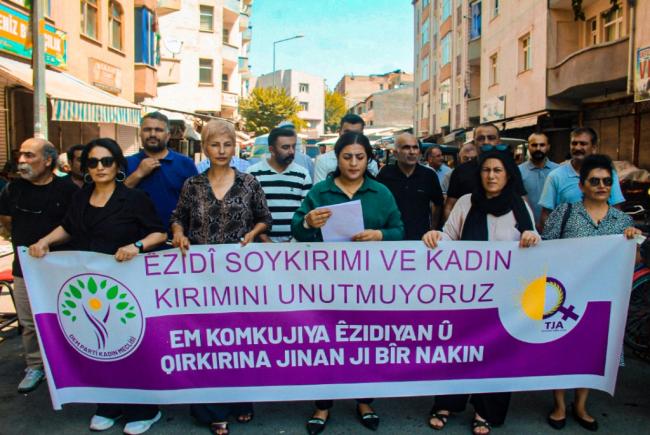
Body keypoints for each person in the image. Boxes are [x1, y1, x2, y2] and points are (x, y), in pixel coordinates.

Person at [28, 138, 167, 434]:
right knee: (99, 345)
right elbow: (68, 227)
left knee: (132, 347)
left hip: (127, 287)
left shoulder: (134, 198)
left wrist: (136, 246)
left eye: (106, 161)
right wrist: (44, 241)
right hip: (89, 287)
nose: (100, 167)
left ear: (117, 164)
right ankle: (108, 405)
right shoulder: (81, 198)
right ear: (86, 167)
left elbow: (159, 233)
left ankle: (144, 409)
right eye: (92, 162)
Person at [292, 132, 404, 435]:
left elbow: (399, 229)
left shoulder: (381, 192)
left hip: (369, 286)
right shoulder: (320, 191)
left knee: (365, 344)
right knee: (324, 345)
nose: (354, 163)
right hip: (325, 285)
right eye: (347, 157)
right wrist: (307, 222)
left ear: (368, 159)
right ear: (337, 159)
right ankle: (322, 404)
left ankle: (364, 401)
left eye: (360, 157)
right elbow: (298, 229)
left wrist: (380, 235)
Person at [422, 151, 539, 435]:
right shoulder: (466, 202)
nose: (491, 176)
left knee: (498, 353)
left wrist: (531, 237)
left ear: (508, 174)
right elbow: (449, 236)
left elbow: (534, 241)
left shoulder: (519, 206)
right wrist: (435, 236)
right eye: (486, 170)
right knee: (458, 349)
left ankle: (485, 411)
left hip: (505, 298)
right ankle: (446, 404)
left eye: (498, 170)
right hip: (467, 293)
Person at [170, 119, 272, 435]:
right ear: (205, 148)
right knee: (206, 342)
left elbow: (264, 219)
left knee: (239, 340)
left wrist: (253, 232)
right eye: (215, 144)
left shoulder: (249, 182)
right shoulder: (193, 185)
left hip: (240, 278)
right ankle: (212, 409)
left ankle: (241, 401)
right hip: (201, 279)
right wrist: (178, 233)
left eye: (227, 144)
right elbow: (178, 217)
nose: (222, 150)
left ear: (234, 147)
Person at [542, 154, 641, 432]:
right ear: (582, 185)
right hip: (568, 296)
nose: (601, 186)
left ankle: (581, 405)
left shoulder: (622, 221)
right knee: (562, 350)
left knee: (591, 352)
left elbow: (634, 262)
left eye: (607, 182)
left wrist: (632, 242)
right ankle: (560, 405)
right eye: (594, 181)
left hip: (602, 298)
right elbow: (545, 249)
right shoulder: (565, 213)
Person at [0, 138, 78, 393]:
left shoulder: (67, 190)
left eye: (29, 155)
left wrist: (47, 243)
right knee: (29, 321)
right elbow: (7, 221)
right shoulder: (12, 190)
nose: (22, 161)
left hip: (59, 269)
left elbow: (72, 226)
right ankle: (35, 365)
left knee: (64, 318)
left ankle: (70, 366)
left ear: (47, 160)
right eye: (21, 155)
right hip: (25, 268)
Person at [539, 127, 625, 229]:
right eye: (574, 143)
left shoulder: (608, 175)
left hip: (601, 236)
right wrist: (552, 236)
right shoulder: (555, 176)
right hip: (567, 237)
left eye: (583, 144)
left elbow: (616, 209)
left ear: (594, 148)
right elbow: (546, 214)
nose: (577, 148)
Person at [125, 112, 198, 231]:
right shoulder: (127, 163)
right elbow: (114, 200)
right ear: (140, 133)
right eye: (147, 129)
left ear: (168, 135)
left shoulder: (185, 164)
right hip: (135, 239)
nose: (152, 134)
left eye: (158, 130)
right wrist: (138, 174)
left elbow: (197, 203)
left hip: (175, 238)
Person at [443, 123, 526, 221]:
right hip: (470, 227)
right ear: (474, 142)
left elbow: (522, 200)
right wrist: (455, 229)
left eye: (491, 138)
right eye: (481, 138)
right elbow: (449, 206)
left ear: (498, 142)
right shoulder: (460, 171)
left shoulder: (510, 169)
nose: (486, 142)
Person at [246, 127, 312, 242]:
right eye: (285, 147)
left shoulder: (303, 174)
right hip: (261, 246)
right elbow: (249, 211)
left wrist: (293, 241)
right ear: (272, 150)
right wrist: (265, 240)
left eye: (293, 146)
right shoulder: (253, 173)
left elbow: (306, 211)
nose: (291, 151)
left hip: (295, 245)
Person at [377, 133, 443, 240]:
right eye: (406, 147)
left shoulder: (429, 175)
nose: (412, 152)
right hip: (391, 239)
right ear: (395, 153)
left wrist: (433, 228)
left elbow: (438, 203)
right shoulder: (385, 174)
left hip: (421, 240)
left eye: (415, 147)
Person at [312, 114, 379, 183]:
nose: (351, 137)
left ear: (362, 135)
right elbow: (319, 188)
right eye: (347, 132)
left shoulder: (371, 164)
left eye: (355, 133)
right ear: (339, 132)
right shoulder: (323, 161)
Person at [518, 133, 559, 230]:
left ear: (548, 147)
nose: (538, 148)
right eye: (534, 145)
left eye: (542, 145)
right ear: (528, 147)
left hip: (555, 229)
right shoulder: (518, 172)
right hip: (527, 228)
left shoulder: (558, 171)